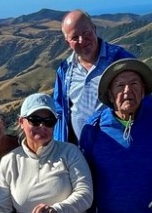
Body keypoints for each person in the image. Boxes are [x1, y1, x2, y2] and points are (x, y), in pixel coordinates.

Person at [79, 58, 152, 213]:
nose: (127, 91)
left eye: (134, 84)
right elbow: (86, 179)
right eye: (120, 86)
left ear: (143, 92)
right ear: (110, 94)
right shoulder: (94, 128)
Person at [0, 93, 93, 213]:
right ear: (21, 122)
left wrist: (57, 211)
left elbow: (85, 194)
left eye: (49, 121)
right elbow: (0, 205)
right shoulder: (9, 161)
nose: (42, 126)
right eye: (34, 120)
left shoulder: (70, 152)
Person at [53, 10, 135, 144]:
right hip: (80, 155)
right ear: (67, 42)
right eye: (74, 37)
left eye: (86, 33)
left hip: (118, 150)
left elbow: (143, 102)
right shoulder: (65, 70)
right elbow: (59, 112)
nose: (82, 40)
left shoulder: (121, 60)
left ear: (94, 29)